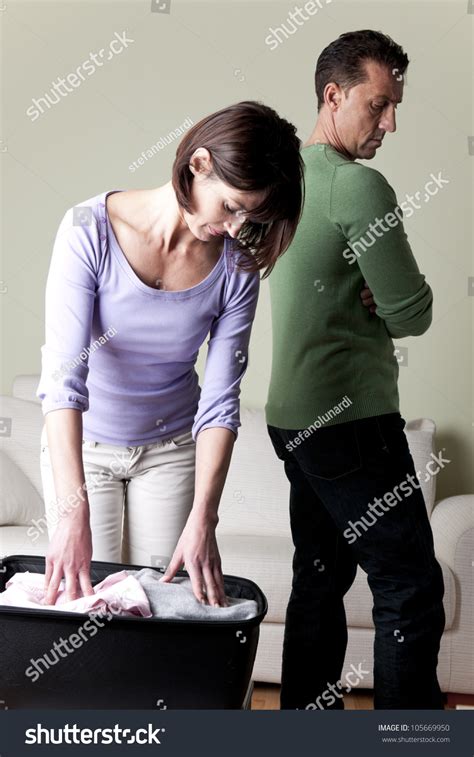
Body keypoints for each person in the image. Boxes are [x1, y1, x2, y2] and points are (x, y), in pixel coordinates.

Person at [37, 100, 304, 609]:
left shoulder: (236, 266)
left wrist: (206, 514)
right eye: (231, 206)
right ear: (198, 164)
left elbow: (221, 403)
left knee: (161, 611)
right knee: (86, 610)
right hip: (86, 450)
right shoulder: (86, 230)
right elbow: (63, 381)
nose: (235, 227)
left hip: (170, 453)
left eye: (251, 215)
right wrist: (73, 512)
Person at [265, 30, 445, 709]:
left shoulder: (282, 182)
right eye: (378, 105)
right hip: (351, 425)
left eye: (395, 106)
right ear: (333, 95)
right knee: (409, 586)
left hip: (292, 420)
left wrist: (373, 295)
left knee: (320, 575)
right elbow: (414, 311)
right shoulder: (358, 187)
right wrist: (386, 300)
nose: (390, 123)